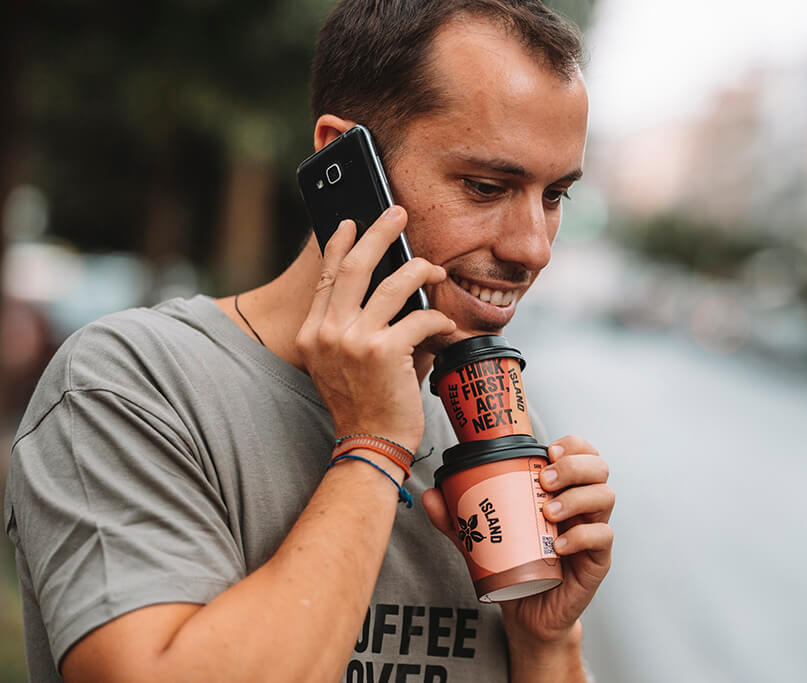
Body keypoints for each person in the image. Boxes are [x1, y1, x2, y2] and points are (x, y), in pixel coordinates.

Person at [4, 1, 615, 681]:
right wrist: (374, 447)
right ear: (344, 161)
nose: (533, 247)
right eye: (485, 186)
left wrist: (546, 641)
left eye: (555, 195)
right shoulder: (132, 383)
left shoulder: (484, 433)